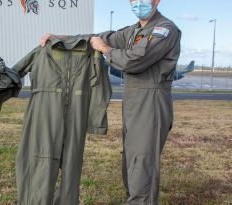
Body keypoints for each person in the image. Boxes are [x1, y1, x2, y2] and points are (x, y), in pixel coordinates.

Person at [40, 0, 181, 204]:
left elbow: (134, 61)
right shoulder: (133, 31)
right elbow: (95, 38)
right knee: (131, 158)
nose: (138, 3)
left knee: (142, 160)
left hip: (152, 101)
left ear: (156, 1)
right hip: (133, 100)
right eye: (133, 0)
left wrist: (105, 49)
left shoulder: (164, 29)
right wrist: (59, 37)